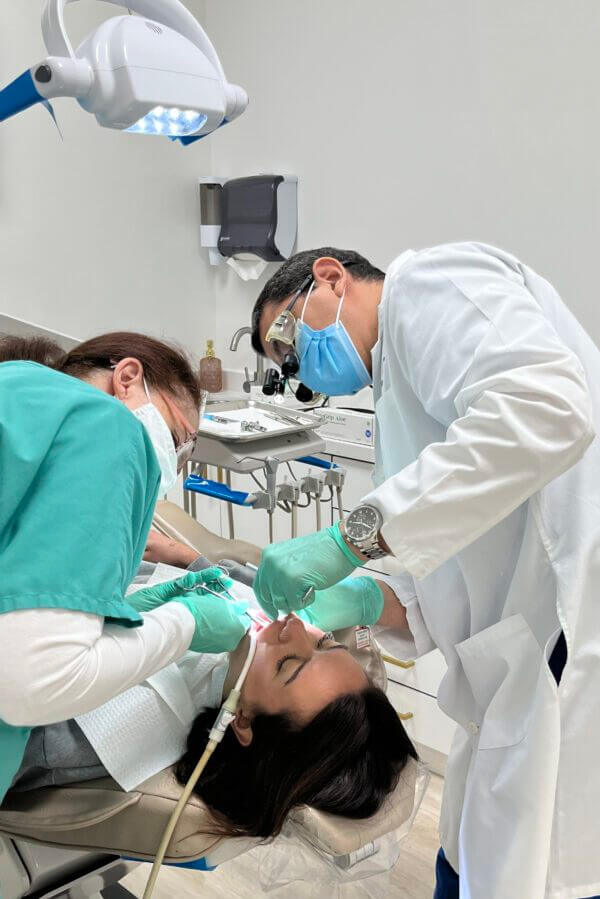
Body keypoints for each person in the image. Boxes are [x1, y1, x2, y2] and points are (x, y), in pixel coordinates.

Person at [250, 243, 600, 899]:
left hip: (562, 626)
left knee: (538, 863)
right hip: (507, 656)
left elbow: (549, 408)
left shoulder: (433, 286)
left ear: (329, 277)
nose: (301, 370)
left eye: (289, 343)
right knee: (480, 851)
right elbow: (440, 544)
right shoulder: (397, 391)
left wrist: (347, 541)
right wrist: (358, 597)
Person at [11, 540, 416, 840]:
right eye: (324, 641)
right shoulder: (259, 619)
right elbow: (216, 574)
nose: (293, 626)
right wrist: (177, 556)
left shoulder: (83, 738)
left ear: (241, 720)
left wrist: (125, 625)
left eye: (288, 663)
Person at [0, 333, 249, 804]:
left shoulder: (19, 392)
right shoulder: (107, 427)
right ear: (128, 378)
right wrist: (184, 624)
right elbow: (34, 684)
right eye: (179, 438)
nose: (174, 463)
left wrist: (115, 612)